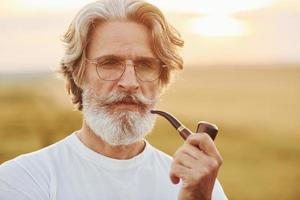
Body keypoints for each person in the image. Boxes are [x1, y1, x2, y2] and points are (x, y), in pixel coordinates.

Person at [0, 0, 227, 199]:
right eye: (109, 63)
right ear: (77, 74)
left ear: (162, 79)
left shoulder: (202, 189)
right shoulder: (22, 180)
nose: (129, 82)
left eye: (145, 65)